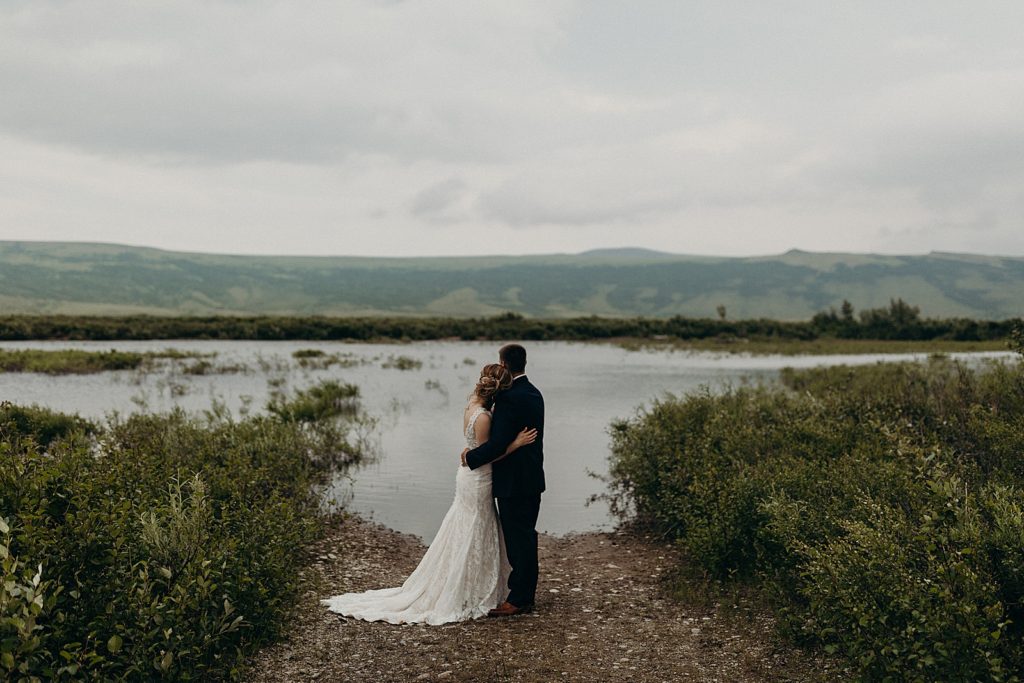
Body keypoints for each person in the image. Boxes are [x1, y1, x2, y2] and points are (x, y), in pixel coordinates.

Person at [321, 363, 536, 625]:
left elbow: (475, 450)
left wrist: (471, 453)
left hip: (469, 477)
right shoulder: (485, 418)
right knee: (474, 527)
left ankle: (472, 580)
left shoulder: (471, 408)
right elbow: (486, 454)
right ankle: (467, 586)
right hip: (478, 477)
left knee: (468, 526)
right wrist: (514, 444)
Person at [461, 343, 545, 617]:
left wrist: (469, 458)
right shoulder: (534, 393)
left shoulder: (509, 398)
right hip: (531, 479)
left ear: (505, 365)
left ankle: (519, 599)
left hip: (514, 483)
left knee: (518, 540)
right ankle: (524, 594)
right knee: (526, 536)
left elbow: (498, 444)